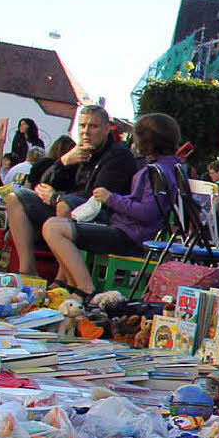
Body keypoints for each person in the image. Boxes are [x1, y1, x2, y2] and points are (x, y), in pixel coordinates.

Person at [42, 113, 182, 301]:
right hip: (135, 233)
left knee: (54, 228)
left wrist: (111, 199)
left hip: (132, 237)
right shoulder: (171, 166)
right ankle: (72, 285)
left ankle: (85, 289)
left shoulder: (157, 171)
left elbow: (148, 212)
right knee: (58, 224)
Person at [5, 105, 136, 276]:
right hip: (71, 209)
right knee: (16, 197)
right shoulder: (79, 151)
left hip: (104, 217)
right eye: (82, 126)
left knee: (65, 204)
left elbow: (97, 198)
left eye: (93, 126)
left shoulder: (118, 156)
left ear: (106, 129)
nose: (86, 132)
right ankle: (27, 271)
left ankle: (64, 278)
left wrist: (56, 197)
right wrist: (64, 161)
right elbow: (42, 184)